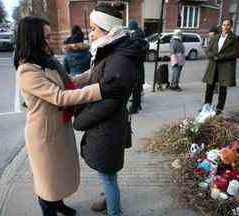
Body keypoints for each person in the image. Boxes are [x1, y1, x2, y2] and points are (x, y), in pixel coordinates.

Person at [14, 16, 122, 216]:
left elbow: (68, 82)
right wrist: (99, 90)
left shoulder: (48, 60)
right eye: (46, 37)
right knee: (47, 179)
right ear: (32, 38)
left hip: (59, 128)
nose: (50, 40)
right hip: (43, 135)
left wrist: (92, 74)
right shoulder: (27, 70)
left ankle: (59, 204)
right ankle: (50, 210)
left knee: (59, 174)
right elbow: (59, 96)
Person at [73, 3, 147, 216]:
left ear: (107, 28)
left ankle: (114, 211)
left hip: (108, 128)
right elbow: (98, 81)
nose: (90, 34)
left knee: (108, 175)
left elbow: (109, 100)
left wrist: (80, 120)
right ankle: (107, 200)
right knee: (106, 172)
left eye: (94, 28)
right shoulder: (111, 49)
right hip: (105, 127)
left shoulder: (119, 58)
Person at [202, 18, 239, 115]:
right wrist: (213, 56)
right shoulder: (215, 38)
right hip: (213, 66)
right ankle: (206, 107)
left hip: (225, 67)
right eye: (224, 25)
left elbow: (234, 53)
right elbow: (208, 50)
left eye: (228, 25)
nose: (225, 27)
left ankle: (219, 109)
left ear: (231, 26)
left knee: (223, 89)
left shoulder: (235, 38)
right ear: (221, 26)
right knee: (209, 87)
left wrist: (220, 57)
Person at [128, 19, 147, 114]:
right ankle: (138, 104)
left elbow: (133, 54)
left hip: (135, 66)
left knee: (136, 87)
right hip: (140, 66)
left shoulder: (135, 40)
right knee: (138, 87)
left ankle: (134, 108)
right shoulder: (141, 38)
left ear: (132, 29)